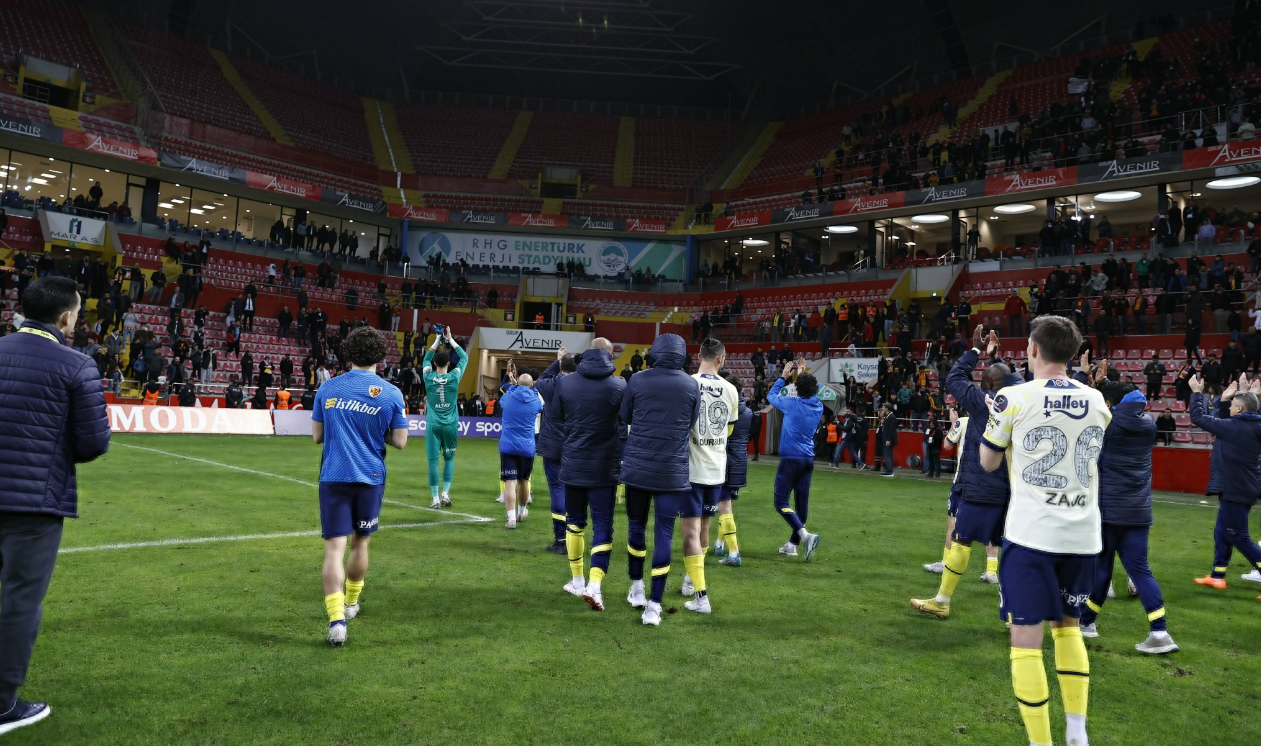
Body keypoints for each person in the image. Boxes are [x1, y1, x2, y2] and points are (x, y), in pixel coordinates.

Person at [978, 315, 1109, 746]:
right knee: (1068, 627)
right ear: (1072, 354)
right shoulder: (1097, 399)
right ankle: (1077, 731)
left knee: (1026, 638)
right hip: (1083, 534)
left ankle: (1041, 742)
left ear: (1033, 349)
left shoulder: (1011, 397)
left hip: (1032, 533)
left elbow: (988, 462)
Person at [0, 277, 110, 735]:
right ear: (66, 317)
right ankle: (3, 705)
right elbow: (92, 442)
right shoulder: (76, 365)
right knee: (20, 600)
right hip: (33, 503)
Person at [1070, 362, 1178, 654]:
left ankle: (1088, 622)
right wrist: (1105, 388)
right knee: (1140, 571)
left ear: (1112, 405)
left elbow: (1085, 411)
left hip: (1107, 510)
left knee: (1102, 568)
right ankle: (1160, 632)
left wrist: (1091, 381)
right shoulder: (1149, 425)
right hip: (1138, 510)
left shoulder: (1109, 425)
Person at [912, 326, 1020, 619]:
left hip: (981, 483)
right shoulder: (1022, 401)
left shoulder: (979, 402)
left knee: (961, 538)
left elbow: (955, 378)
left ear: (984, 384)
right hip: (1014, 489)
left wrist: (976, 352)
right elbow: (1015, 379)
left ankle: (942, 601)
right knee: (1011, 548)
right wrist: (996, 359)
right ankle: (1013, 611)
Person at [311, 327, 408, 646]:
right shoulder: (392, 393)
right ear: (381, 357)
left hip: (334, 477)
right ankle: (351, 603)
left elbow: (316, 436)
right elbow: (400, 441)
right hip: (370, 478)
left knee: (333, 550)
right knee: (361, 544)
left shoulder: (328, 388)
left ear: (348, 354)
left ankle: (337, 621)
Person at [618, 334, 700, 626]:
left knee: (636, 526)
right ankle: (654, 605)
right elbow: (690, 422)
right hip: (671, 470)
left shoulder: (638, 380)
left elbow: (624, 415)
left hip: (639, 467)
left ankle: (638, 588)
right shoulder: (691, 384)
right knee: (664, 532)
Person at [554, 338, 625, 611]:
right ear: (609, 355)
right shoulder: (619, 385)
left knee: (575, 522)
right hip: (605, 467)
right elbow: (625, 418)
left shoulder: (565, 383)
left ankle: (576, 580)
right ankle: (594, 585)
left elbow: (559, 416)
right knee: (603, 525)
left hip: (573, 464)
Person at [676, 338, 739, 615]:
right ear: (721, 359)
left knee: (689, 532)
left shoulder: (687, 383)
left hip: (690, 468)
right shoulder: (731, 390)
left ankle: (701, 597)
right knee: (704, 529)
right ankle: (691, 580)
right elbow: (729, 431)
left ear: (697, 355)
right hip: (716, 469)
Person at [1189, 372, 1261, 590]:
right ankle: (1217, 575)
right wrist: (1238, 397)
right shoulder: (1253, 425)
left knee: (1237, 535)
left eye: (1232, 406)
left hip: (1235, 486)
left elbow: (1199, 418)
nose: (1229, 409)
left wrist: (1196, 393)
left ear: (1239, 409)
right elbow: (1232, 419)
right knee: (1222, 530)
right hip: (1244, 486)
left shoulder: (1234, 427)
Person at [767, 358, 823, 561]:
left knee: (780, 501)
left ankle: (805, 535)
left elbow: (771, 396)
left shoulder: (791, 405)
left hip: (791, 459)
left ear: (797, 389)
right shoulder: (819, 407)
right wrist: (800, 375)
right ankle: (792, 544)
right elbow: (806, 393)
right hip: (808, 460)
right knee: (801, 503)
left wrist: (784, 378)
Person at [536, 348, 576, 555]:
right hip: (575, 446)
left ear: (561, 367)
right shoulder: (581, 387)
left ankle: (561, 539)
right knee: (574, 492)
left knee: (557, 491)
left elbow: (542, 377)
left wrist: (557, 361)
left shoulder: (550, 385)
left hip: (553, 446)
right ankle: (575, 536)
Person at [421, 328, 466, 508]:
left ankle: (434, 499)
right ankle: (445, 494)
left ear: (434, 363)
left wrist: (438, 340)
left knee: (433, 462)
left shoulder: (428, 376)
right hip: (450, 425)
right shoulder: (454, 376)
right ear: (449, 363)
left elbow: (425, 359)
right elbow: (464, 358)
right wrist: (450, 339)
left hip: (433, 425)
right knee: (449, 459)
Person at [923, 406, 968, 573]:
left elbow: (947, 444)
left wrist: (954, 423)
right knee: (988, 527)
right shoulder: (992, 422)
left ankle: (946, 563)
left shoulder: (963, 422)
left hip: (963, 480)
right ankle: (991, 571)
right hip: (986, 482)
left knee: (953, 523)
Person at [498, 362, 544, 528]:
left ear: (517, 383)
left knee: (510, 482)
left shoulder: (508, 397)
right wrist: (532, 388)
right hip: (527, 447)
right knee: (524, 480)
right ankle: (521, 512)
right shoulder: (534, 401)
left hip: (508, 446)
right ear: (532, 385)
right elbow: (540, 406)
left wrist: (513, 384)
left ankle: (511, 519)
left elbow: (503, 396)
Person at [715, 371, 752, 568]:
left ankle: (734, 553)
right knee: (727, 504)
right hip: (739, 464)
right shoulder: (748, 412)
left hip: (724, 462)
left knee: (724, 508)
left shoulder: (725, 410)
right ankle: (720, 544)